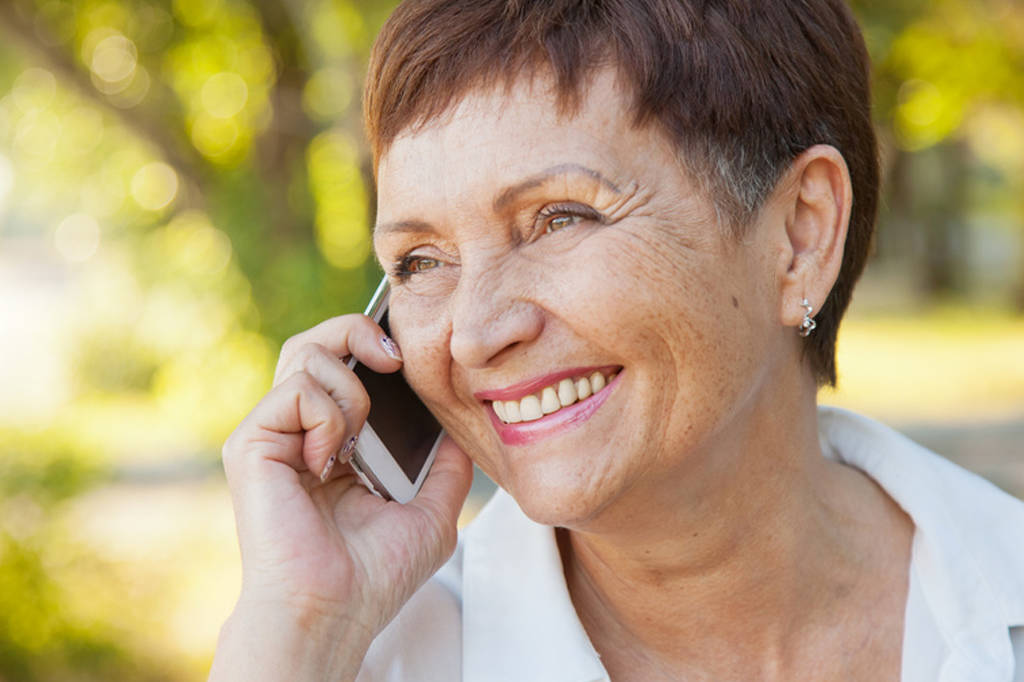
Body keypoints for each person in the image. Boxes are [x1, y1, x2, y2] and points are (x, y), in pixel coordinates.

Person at [209, 1, 1024, 679]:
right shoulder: (370, 662)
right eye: (421, 260)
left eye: (560, 217)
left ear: (801, 234)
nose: (476, 336)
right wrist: (298, 633)